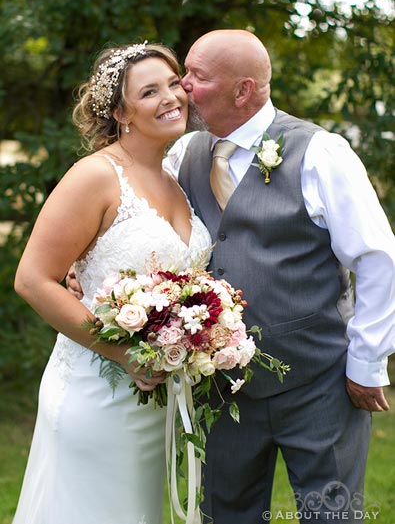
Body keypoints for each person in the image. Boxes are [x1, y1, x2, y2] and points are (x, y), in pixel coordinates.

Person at [67, 30, 395, 524]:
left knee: (332, 516)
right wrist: (84, 264)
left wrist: (366, 363)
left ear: (243, 91)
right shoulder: (182, 154)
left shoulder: (321, 153)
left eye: (195, 77)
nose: (182, 89)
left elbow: (378, 259)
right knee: (225, 515)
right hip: (220, 388)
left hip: (317, 383)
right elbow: (130, 213)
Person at [13, 41, 211, 524]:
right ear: (121, 111)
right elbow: (33, 280)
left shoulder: (176, 175)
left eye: (172, 83)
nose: (170, 97)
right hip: (95, 391)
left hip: (156, 398)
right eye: (149, 91)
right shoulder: (95, 176)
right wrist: (124, 353)